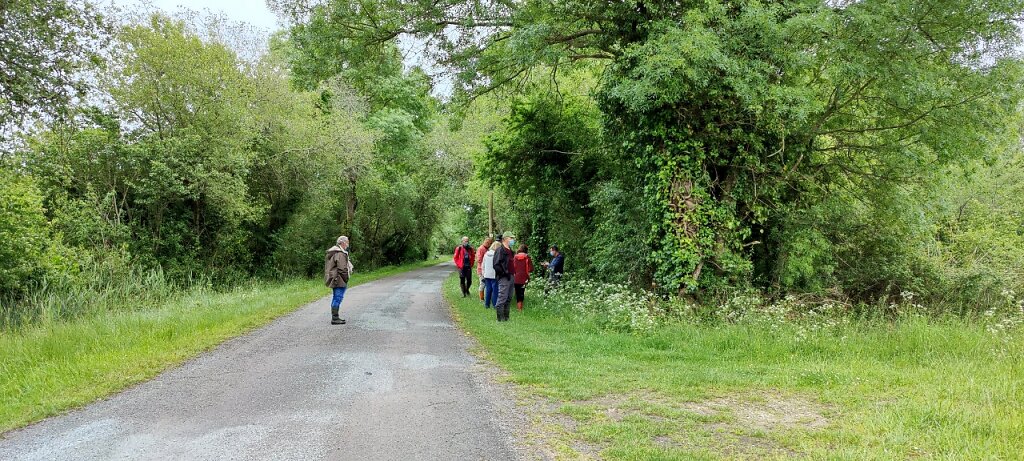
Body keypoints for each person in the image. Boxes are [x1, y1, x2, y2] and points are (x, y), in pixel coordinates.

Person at [324, 236, 352, 325]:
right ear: (343, 243)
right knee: (338, 297)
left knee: (336, 297)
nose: (348, 244)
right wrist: (346, 278)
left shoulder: (335, 252)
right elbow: (342, 269)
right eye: (347, 242)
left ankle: (335, 317)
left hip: (335, 278)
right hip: (338, 279)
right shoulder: (340, 253)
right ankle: (335, 318)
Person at [492, 233, 516, 322]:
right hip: (504, 277)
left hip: (511, 276)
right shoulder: (500, 250)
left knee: (509, 297)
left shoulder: (510, 250)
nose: (513, 240)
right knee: (502, 297)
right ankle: (500, 319)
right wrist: (504, 273)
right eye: (511, 238)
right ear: (505, 239)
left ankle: (506, 318)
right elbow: (496, 265)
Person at [512, 243, 533, 311]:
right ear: (526, 250)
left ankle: (518, 305)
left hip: (516, 277)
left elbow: (512, 267)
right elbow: (531, 269)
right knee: (522, 292)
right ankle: (520, 308)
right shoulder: (527, 257)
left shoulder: (515, 257)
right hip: (524, 278)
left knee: (517, 292)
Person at [475, 236, 494, 302]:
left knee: (487, 284)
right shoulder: (481, 249)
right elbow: (479, 260)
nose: (489, 244)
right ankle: (481, 299)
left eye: (490, 243)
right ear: (484, 242)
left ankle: (488, 298)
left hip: (486, 270)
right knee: (482, 284)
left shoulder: (487, 249)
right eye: (487, 242)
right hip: (481, 270)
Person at [482, 241, 500, 309]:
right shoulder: (497, 255)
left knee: (488, 290)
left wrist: (484, 273)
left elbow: (483, 265)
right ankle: (495, 305)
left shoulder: (486, 254)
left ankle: (487, 305)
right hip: (494, 275)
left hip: (487, 275)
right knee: (495, 291)